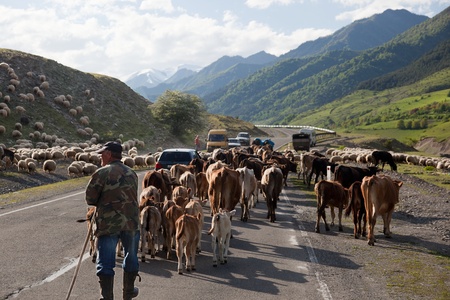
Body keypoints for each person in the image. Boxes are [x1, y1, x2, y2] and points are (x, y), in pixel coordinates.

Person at [85, 141, 140, 300]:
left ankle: (106, 296)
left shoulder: (102, 173)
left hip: (109, 224)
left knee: (106, 262)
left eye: (102, 153)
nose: (100, 156)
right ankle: (128, 292)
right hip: (130, 222)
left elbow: (90, 199)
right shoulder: (132, 173)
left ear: (109, 154)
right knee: (131, 257)